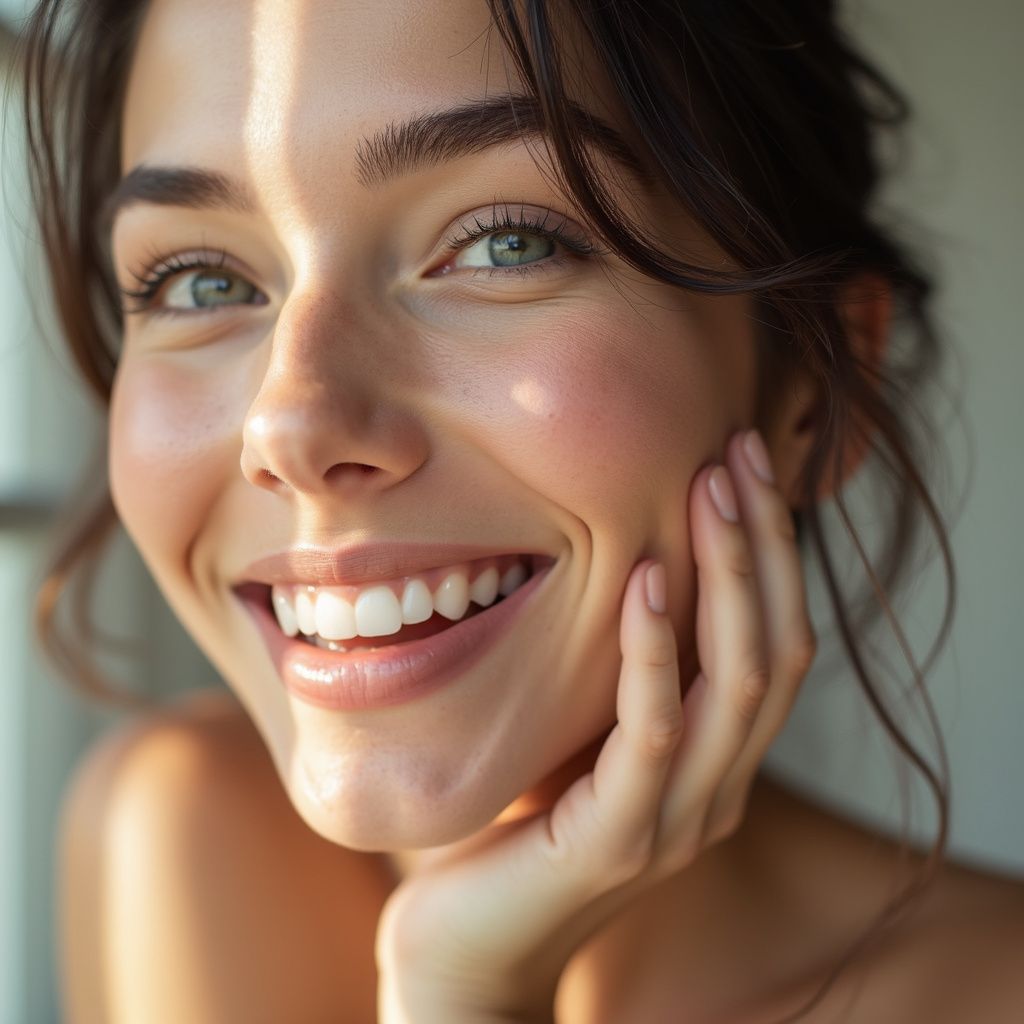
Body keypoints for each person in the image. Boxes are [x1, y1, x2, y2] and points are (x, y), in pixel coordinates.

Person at [19, 0, 1024, 1020]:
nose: (293, 427)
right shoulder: (174, 834)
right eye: (198, 280)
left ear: (811, 387)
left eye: (504, 244)